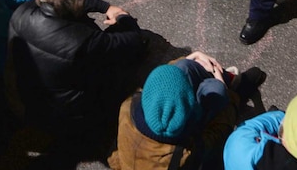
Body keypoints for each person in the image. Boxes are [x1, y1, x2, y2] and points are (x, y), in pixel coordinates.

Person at [5, 0, 146, 142]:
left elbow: (64, 1)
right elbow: (132, 39)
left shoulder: (23, 11)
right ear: (77, 2)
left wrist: (105, 7)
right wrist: (122, 17)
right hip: (69, 116)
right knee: (131, 53)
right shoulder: (83, 41)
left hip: (30, 101)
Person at [108, 51, 266, 170]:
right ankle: (235, 89)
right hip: (190, 147)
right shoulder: (183, 155)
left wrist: (189, 58)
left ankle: (218, 81)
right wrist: (229, 95)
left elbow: (162, 81)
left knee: (185, 67)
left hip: (137, 156)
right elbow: (219, 131)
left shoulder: (128, 106)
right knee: (216, 90)